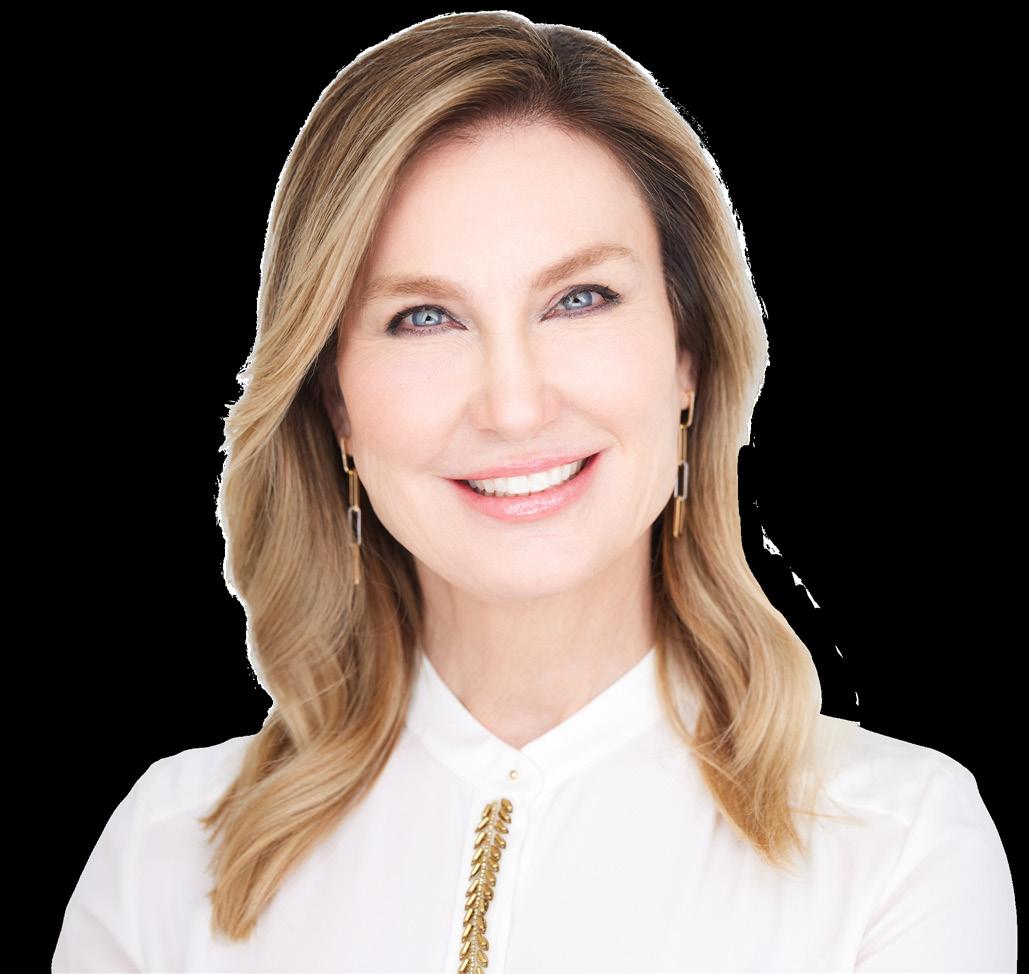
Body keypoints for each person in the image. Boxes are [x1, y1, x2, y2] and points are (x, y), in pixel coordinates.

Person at [52, 12, 1016, 973]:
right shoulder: (167, 860)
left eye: (579, 300)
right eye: (422, 317)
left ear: (686, 353)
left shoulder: (892, 848)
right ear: (333, 399)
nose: (513, 407)